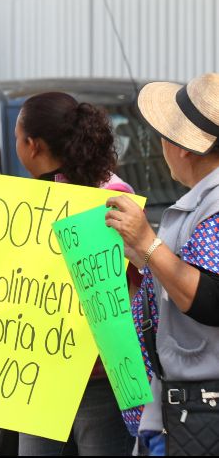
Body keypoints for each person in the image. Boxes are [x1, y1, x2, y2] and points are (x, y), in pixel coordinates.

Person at [13, 92, 136, 456]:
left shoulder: (107, 199)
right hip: (65, 376)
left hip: (84, 379)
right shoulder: (115, 193)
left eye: (17, 137)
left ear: (32, 146)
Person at [106, 73, 219, 456]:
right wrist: (140, 253)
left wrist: (148, 244)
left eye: (166, 134)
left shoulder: (215, 206)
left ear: (184, 147)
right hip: (183, 409)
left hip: (200, 412)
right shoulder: (203, 201)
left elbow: (209, 298)